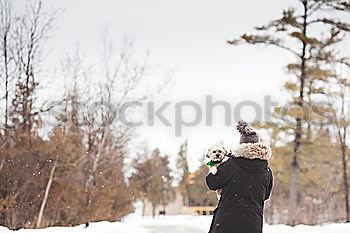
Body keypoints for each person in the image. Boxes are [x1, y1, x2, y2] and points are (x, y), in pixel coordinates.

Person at [206, 120, 273, 233]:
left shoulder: (231, 164)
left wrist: (212, 168)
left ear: (241, 144)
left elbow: (212, 183)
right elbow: (266, 195)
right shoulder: (266, 169)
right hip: (253, 222)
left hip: (227, 221)